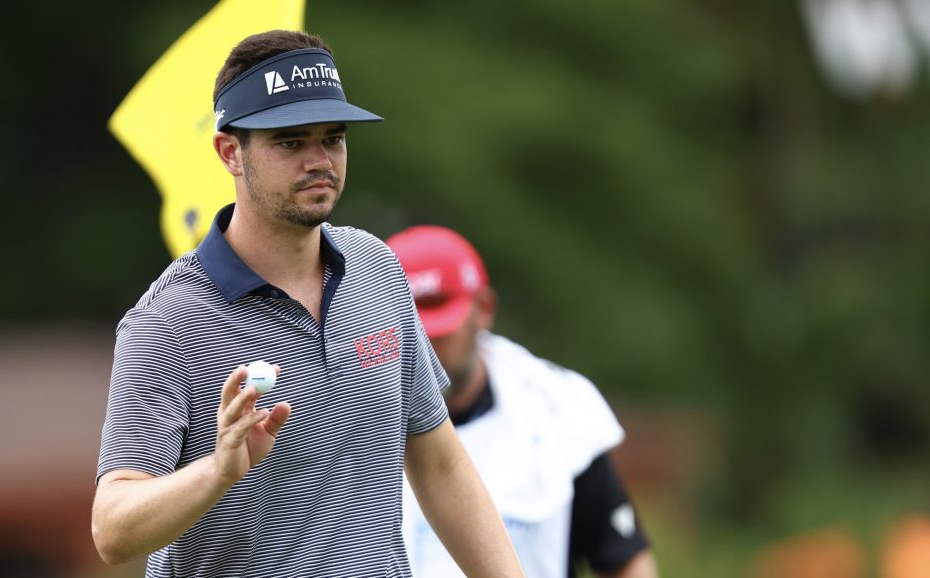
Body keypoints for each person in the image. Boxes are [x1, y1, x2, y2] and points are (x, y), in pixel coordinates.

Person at [91, 30, 524, 578]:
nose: (320, 160)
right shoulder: (166, 321)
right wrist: (217, 471)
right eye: (291, 142)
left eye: (333, 138)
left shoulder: (377, 271)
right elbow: (112, 530)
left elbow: (438, 464)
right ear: (231, 152)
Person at [386, 225, 659, 578]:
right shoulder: (341, 415)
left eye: (440, 324)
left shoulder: (557, 410)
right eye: (409, 325)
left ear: (484, 309)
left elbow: (624, 559)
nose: (424, 344)